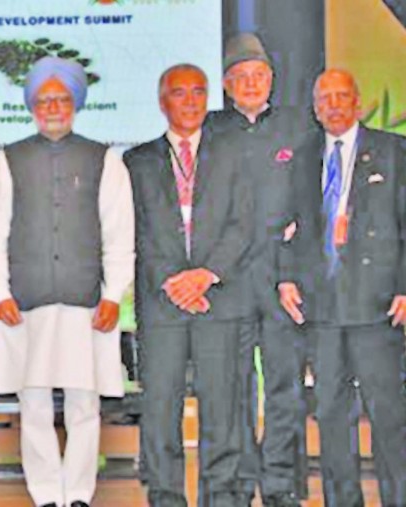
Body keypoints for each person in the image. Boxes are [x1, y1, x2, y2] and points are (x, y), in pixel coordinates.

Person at [0, 56, 134, 507]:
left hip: (87, 303)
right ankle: (46, 493)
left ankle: (79, 493)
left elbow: (119, 233)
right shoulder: (8, 160)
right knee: (35, 403)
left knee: (85, 403)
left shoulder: (105, 159)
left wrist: (112, 294)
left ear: (75, 103)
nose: (52, 108)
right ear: (31, 106)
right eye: (43, 100)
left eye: (61, 99)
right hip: (26, 303)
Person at [125, 64, 254, 507]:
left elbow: (244, 223)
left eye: (199, 92)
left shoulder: (235, 153)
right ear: (163, 102)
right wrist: (172, 281)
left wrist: (205, 275)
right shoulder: (136, 161)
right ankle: (165, 496)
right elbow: (135, 230)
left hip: (219, 298)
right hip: (162, 305)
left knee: (222, 409)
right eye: (180, 93)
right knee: (161, 411)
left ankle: (221, 497)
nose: (192, 100)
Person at [278, 68, 406, 507]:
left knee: (389, 417)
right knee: (331, 417)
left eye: (340, 96)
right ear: (314, 108)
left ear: (357, 100)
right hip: (324, 310)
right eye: (323, 98)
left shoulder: (393, 151)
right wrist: (286, 277)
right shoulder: (302, 156)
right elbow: (288, 225)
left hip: (378, 307)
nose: (332, 104)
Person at [205, 33, 313, 507]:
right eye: (240, 77)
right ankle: (239, 482)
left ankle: (279, 483)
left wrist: (293, 261)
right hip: (226, 281)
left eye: (258, 75)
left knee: (285, 386)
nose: (250, 83)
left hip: (281, 279)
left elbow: (311, 207)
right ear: (227, 85)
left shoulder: (298, 129)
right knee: (235, 390)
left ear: (272, 79)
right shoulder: (208, 130)